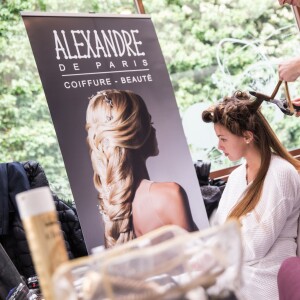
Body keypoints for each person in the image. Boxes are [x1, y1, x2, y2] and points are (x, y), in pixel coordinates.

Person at [202, 91, 300, 300]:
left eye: (223, 139)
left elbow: (254, 247)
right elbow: (220, 227)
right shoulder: (237, 175)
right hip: (236, 277)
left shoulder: (281, 174)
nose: (219, 147)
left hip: (265, 284)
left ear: (247, 136)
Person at [86, 89, 196, 248]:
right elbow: (198, 268)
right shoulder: (169, 194)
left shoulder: (113, 209)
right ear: (137, 134)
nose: (154, 130)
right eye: (150, 123)